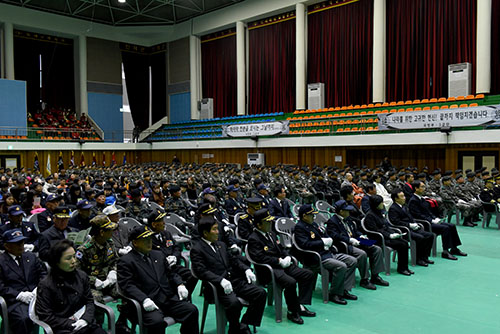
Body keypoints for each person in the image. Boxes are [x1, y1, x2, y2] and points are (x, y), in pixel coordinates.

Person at [191, 216, 266, 334]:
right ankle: (234, 329)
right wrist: (220, 280)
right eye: (214, 229)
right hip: (217, 287)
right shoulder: (197, 249)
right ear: (205, 233)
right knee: (234, 303)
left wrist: (247, 269)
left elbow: (234, 261)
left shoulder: (221, 244)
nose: (218, 232)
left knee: (260, 293)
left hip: (233, 281)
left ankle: (244, 323)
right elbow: (201, 271)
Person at [117, 226, 199, 333]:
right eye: (145, 240)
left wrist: (180, 284)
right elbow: (127, 285)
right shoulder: (126, 261)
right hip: (147, 303)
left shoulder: (158, 255)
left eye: (150, 239)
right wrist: (144, 299)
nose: (149, 242)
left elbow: (171, 273)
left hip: (167, 299)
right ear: (135, 243)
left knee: (191, 310)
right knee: (156, 322)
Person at [247, 209, 315, 325]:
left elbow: (281, 248)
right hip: (269, 270)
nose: (270, 223)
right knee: (291, 282)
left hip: (282, 266)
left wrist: (287, 256)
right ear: (259, 225)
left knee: (308, 274)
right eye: (267, 222)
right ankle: (292, 311)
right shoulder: (254, 238)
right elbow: (259, 258)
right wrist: (278, 260)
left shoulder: (271, 233)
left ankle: (300, 304)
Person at [35, 239, 106, 334]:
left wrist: (85, 319)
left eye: (74, 256)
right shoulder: (46, 285)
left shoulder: (82, 276)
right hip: (63, 328)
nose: (74, 261)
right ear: (56, 261)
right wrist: (72, 323)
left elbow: (89, 301)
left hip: (85, 324)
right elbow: (46, 316)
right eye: (68, 258)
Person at [294, 204, 357, 305]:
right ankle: (335, 294)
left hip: (328, 253)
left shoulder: (313, 224)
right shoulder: (299, 227)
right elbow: (305, 245)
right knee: (341, 266)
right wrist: (322, 242)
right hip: (316, 257)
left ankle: (344, 289)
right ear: (304, 216)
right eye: (311, 215)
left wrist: (328, 241)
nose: (313, 217)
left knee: (352, 261)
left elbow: (324, 235)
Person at [76, 215, 130, 332]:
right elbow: (78, 272)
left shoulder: (109, 243)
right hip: (92, 284)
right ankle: (97, 326)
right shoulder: (84, 250)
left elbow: (115, 261)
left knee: (127, 290)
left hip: (108, 280)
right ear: (101, 232)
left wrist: (113, 272)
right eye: (109, 230)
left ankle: (121, 321)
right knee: (96, 299)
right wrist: (93, 280)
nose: (112, 232)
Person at [326, 200, 388, 289]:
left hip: (356, 240)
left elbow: (355, 230)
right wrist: (349, 240)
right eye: (347, 210)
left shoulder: (348, 218)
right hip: (346, 244)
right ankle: (365, 279)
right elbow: (335, 236)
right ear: (341, 211)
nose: (349, 212)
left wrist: (360, 235)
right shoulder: (332, 221)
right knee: (362, 254)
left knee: (376, 248)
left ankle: (375, 276)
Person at [0, 229, 47, 334]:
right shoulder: (1, 261)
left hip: (37, 296)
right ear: (7, 246)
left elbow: (43, 274)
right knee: (23, 319)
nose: (21, 245)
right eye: (16, 243)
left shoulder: (30, 256)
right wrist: (18, 294)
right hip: (15, 302)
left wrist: (38, 288)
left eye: (22, 242)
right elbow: (1, 286)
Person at [408, 180, 466, 260]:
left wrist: (435, 218)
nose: (424, 188)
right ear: (416, 188)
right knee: (445, 228)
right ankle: (445, 251)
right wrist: (431, 220)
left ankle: (454, 248)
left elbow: (428, 211)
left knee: (452, 226)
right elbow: (418, 215)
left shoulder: (422, 198)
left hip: (430, 221)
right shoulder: (413, 200)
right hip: (424, 224)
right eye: (422, 187)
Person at [148, 209, 198, 299]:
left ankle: (184, 298)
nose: (164, 223)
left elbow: (176, 247)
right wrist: (165, 260)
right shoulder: (147, 239)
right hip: (161, 270)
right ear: (154, 224)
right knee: (174, 281)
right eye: (161, 221)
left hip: (174, 266)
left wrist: (174, 256)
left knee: (193, 276)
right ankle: (176, 298)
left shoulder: (166, 234)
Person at [364, 195, 413, 276]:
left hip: (385, 236)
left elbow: (386, 226)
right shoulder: (370, 216)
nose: (383, 204)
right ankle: (401, 268)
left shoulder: (379, 213)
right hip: (378, 239)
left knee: (404, 242)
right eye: (381, 203)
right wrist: (389, 235)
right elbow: (375, 231)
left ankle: (404, 267)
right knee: (402, 245)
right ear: (376, 204)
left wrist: (393, 232)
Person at [388, 190, 434, 266]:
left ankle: (424, 257)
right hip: (404, 231)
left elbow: (410, 217)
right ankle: (418, 259)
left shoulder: (404, 206)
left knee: (430, 235)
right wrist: (409, 225)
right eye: (402, 196)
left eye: (404, 196)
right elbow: (396, 222)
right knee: (420, 238)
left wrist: (414, 223)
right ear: (396, 199)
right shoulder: (393, 208)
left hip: (411, 228)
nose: (404, 198)